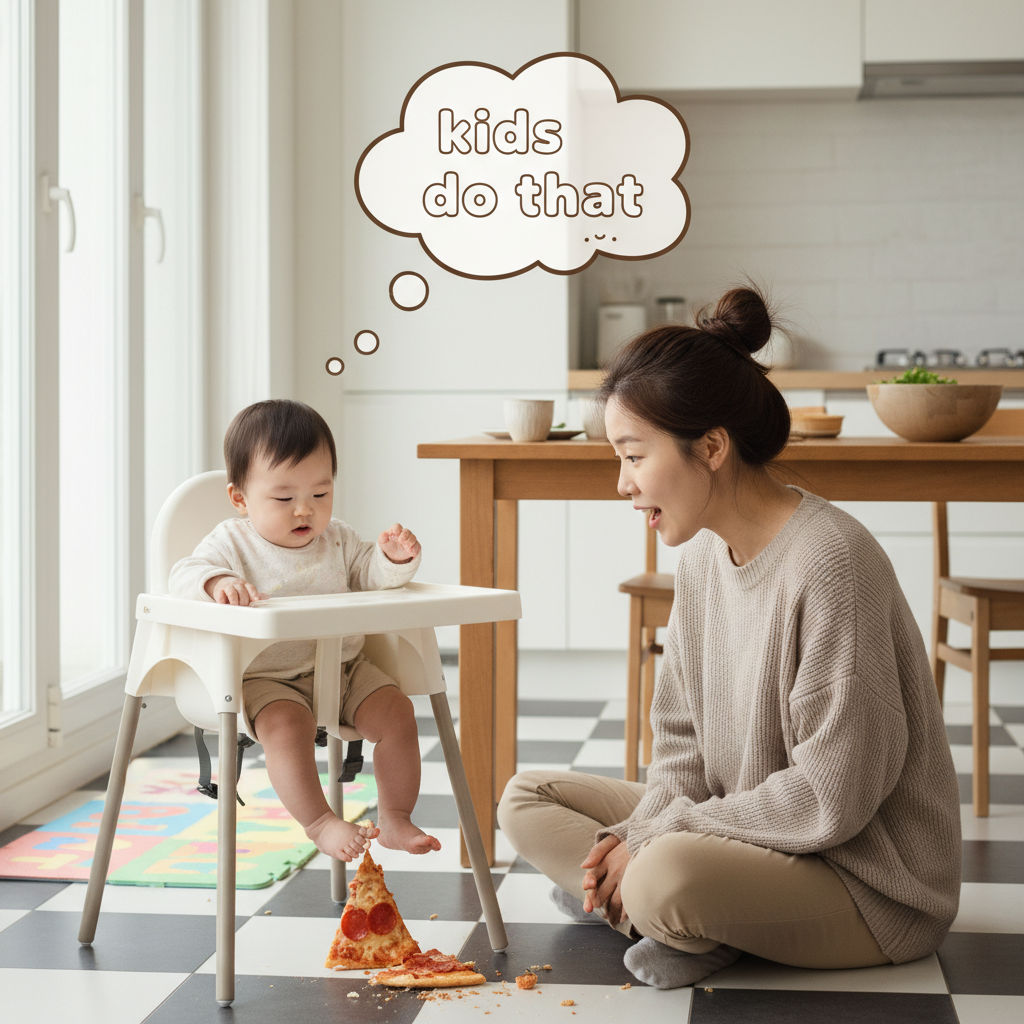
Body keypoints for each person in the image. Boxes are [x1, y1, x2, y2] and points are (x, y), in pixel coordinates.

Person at [498, 287, 961, 989]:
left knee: (662, 875)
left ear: (711, 446)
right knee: (526, 797)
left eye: (632, 455)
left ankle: (648, 903)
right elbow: (680, 751)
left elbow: (829, 798)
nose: (621, 485)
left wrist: (652, 839)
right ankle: (668, 910)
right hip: (749, 833)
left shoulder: (832, 563)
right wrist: (651, 826)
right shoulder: (702, 562)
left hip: (864, 879)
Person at [170, 399, 441, 862]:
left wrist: (393, 559)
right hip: (266, 678)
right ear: (241, 498)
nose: (305, 511)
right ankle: (319, 821)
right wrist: (217, 582)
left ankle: (395, 817)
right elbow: (182, 575)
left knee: (397, 712)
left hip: (343, 667)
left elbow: (370, 576)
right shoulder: (230, 543)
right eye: (283, 498)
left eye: (320, 494)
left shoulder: (337, 539)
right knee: (285, 726)